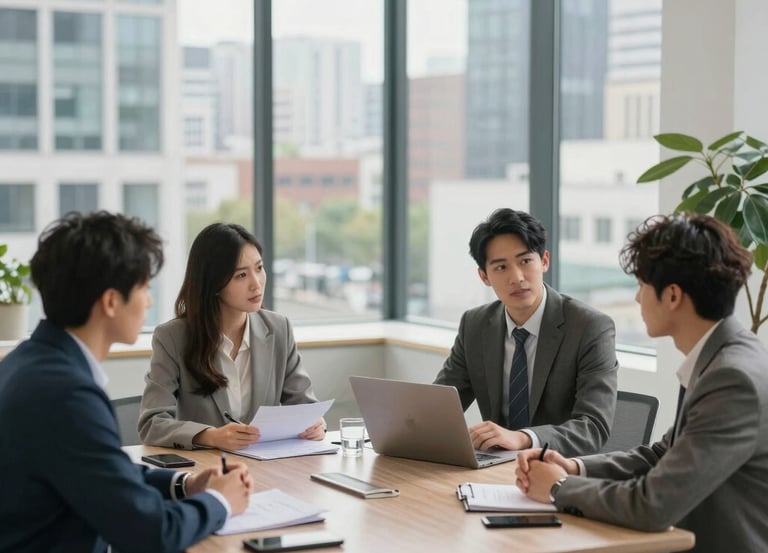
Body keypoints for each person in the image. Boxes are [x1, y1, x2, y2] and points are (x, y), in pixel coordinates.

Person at [0, 211, 254, 553]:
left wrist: (187, 484)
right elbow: (152, 533)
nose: (149, 301)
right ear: (110, 302)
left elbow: (104, 476)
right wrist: (219, 502)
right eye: (144, 288)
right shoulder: (65, 394)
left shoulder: (29, 363)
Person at [515, 213, 768, 553]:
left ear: (673, 295)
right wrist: (574, 466)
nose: (637, 299)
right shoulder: (722, 356)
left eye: (642, 285)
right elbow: (663, 454)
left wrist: (559, 488)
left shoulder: (731, 378)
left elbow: (653, 505)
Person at [434, 208, 618, 456]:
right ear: (484, 276)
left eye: (525, 261)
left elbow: (592, 427)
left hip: (558, 471)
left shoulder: (589, 327)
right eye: (501, 268)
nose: (517, 277)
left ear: (544, 261)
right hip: (494, 471)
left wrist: (523, 438)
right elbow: (439, 406)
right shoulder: (475, 325)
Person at [139, 222, 324, 450]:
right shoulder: (172, 337)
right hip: (205, 470)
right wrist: (210, 436)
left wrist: (314, 423)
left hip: (265, 468)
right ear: (214, 282)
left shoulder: (278, 328)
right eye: (241, 275)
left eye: (259, 268)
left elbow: (304, 406)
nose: (256, 284)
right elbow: (152, 423)